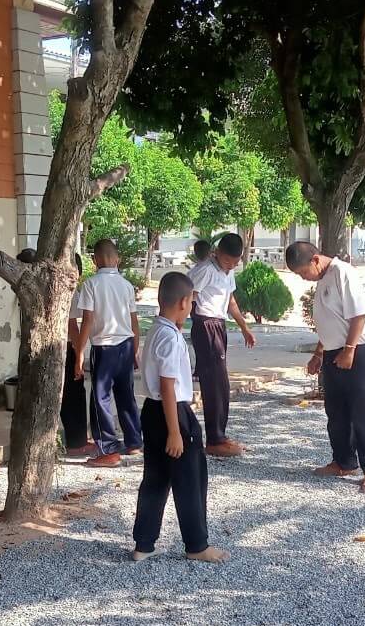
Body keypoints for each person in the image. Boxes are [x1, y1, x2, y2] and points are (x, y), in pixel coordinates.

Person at [132, 271, 229, 563]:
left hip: (152, 410)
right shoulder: (171, 338)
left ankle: (144, 543)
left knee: (156, 477)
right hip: (172, 412)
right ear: (184, 303)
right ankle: (197, 545)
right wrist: (175, 431)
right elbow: (168, 385)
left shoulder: (156, 330)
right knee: (190, 478)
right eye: (191, 303)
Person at [285, 241, 365, 495]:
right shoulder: (323, 279)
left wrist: (350, 350)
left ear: (315, 260)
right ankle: (343, 461)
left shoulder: (343, 272)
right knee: (336, 410)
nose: (303, 278)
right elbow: (331, 321)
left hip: (359, 348)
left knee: (361, 408)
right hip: (333, 350)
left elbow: (359, 314)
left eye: (303, 272)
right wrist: (319, 353)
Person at [17, 247, 92, 458]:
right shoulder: (65, 290)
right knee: (74, 395)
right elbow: (72, 327)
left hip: (38, 346)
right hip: (63, 346)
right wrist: (79, 354)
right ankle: (77, 442)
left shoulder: (29, 289)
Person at [74, 238, 142, 468]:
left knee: (100, 398)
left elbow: (87, 321)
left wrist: (79, 353)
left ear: (95, 260)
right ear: (117, 259)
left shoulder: (91, 284)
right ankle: (133, 441)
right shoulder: (126, 285)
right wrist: (135, 349)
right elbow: (134, 321)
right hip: (125, 345)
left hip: (103, 347)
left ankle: (108, 449)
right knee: (126, 395)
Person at [186, 232, 256, 457]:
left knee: (221, 383)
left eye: (236, 262)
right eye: (227, 261)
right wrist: (177, 325)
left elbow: (230, 301)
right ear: (217, 253)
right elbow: (190, 296)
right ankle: (214, 439)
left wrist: (244, 327)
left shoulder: (228, 272)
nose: (231, 266)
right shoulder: (206, 270)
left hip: (218, 324)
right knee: (214, 382)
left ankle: (220, 434)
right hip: (205, 324)